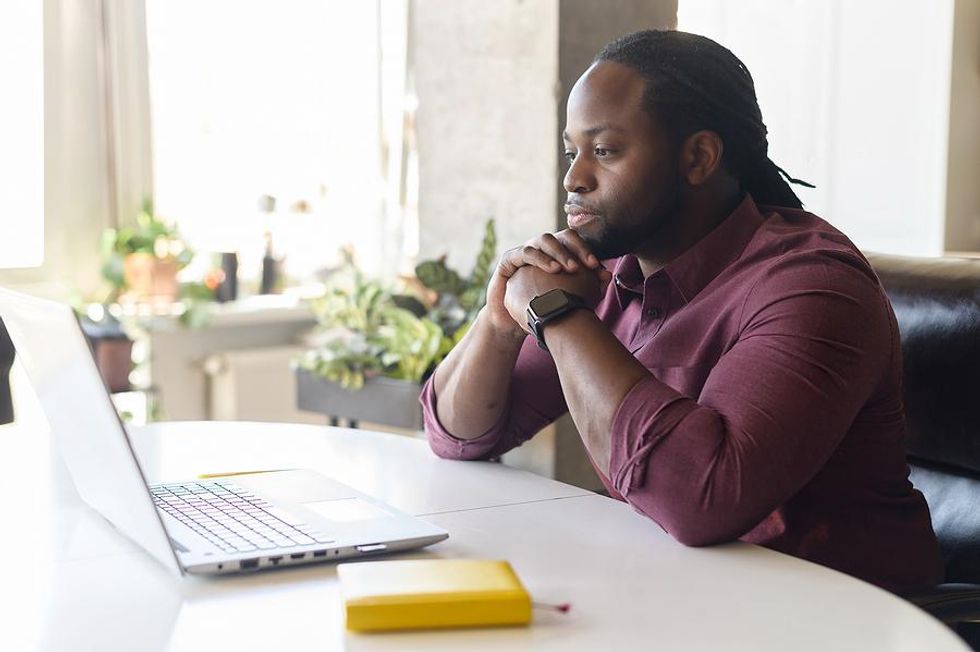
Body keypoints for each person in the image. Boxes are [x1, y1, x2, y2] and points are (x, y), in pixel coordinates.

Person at [419, 29, 942, 594]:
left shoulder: (814, 287)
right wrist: (500, 321)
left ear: (697, 157)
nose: (573, 179)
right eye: (573, 152)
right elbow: (460, 434)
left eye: (605, 151)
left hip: (842, 614)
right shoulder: (612, 276)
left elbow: (702, 500)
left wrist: (555, 313)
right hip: (685, 592)